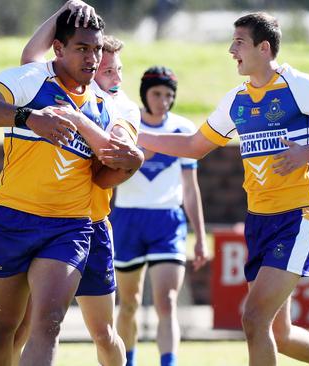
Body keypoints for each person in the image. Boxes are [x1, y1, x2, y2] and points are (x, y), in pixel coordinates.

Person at [138, 12, 309, 366]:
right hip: (259, 220)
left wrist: (307, 152)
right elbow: (193, 146)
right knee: (280, 333)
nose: (231, 50)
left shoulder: (300, 86)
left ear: (264, 48)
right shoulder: (236, 100)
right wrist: (134, 135)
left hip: (298, 216)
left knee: (253, 318)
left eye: (239, 42)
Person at [0, 8, 142, 365]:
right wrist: (28, 117)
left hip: (70, 225)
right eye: (82, 49)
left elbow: (109, 170)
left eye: (96, 51)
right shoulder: (31, 80)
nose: (92, 59)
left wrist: (130, 163)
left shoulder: (109, 106)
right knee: (2, 325)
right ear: (58, 49)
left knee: (50, 323)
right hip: (12, 217)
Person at [110, 66, 208, 366]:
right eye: (156, 93)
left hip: (167, 222)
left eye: (169, 95)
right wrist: (134, 160)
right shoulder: (126, 125)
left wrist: (201, 237)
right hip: (127, 219)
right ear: (144, 94)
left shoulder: (182, 129)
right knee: (129, 303)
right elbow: (107, 177)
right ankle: (128, 360)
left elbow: (190, 190)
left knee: (166, 302)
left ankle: (168, 362)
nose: (163, 100)